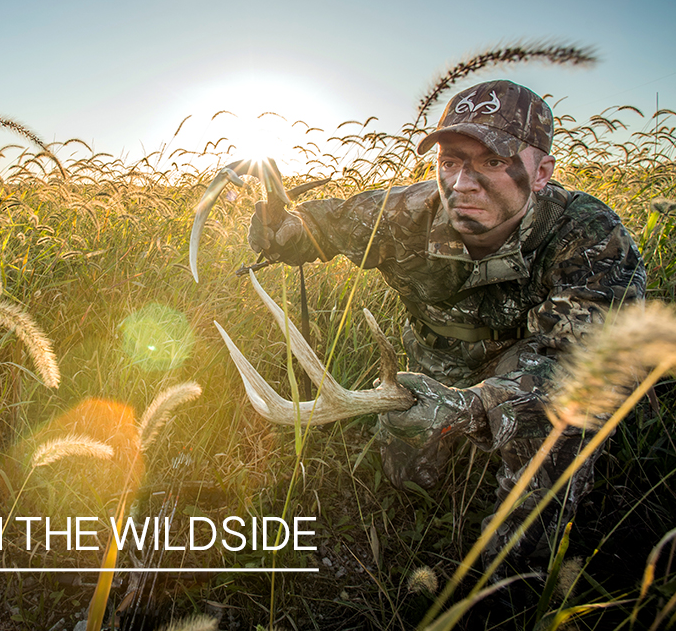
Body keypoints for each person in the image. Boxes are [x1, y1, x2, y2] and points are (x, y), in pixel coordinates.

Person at [248, 79, 646, 559]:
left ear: (541, 172)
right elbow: (322, 226)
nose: (461, 184)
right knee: (403, 479)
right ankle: (410, 540)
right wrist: (282, 230)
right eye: (451, 161)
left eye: (494, 163)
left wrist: (473, 407)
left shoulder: (588, 234)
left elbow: (589, 367)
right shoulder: (405, 211)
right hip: (433, 363)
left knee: (557, 434)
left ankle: (513, 578)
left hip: (528, 367)